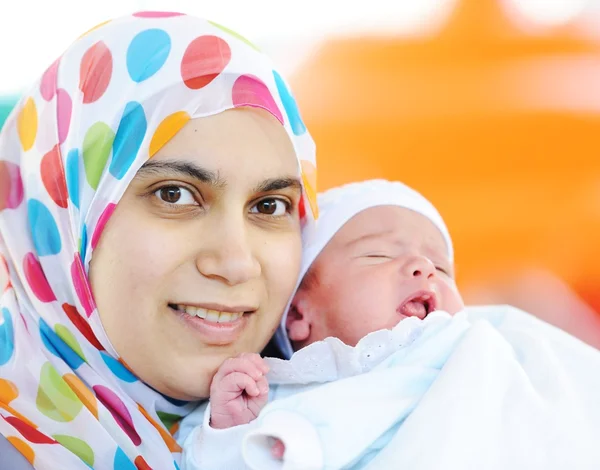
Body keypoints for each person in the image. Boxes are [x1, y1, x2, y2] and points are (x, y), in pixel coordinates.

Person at [0, 11, 317, 470]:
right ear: (63, 215)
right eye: (175, 194)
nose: (236, 262)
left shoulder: (334, 423)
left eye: (269, 206)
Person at [179, 179, 600, 470]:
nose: (423, 267)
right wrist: (229, 433)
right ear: (298, 315)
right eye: (378, 255)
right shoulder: (273, 396)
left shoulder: (476, 348)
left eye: (440, 266)